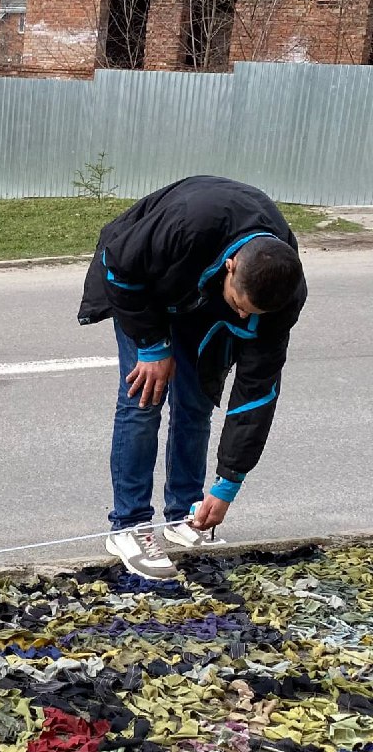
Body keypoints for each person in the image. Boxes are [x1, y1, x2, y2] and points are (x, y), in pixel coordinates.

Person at [80, 175, 306, 582]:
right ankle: (129, 526)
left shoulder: (281, 292)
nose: (243, 318)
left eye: (252, 314)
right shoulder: (188, 223)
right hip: (143, 287)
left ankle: (185, 515)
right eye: (240, 305)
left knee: (197, 401)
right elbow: (120, 265)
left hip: (199, 298)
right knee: (144, 397)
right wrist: (152, 346)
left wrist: (227, 485)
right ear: (231, 267)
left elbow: (257, 393)